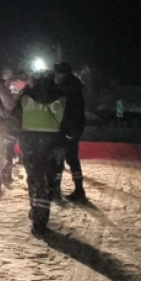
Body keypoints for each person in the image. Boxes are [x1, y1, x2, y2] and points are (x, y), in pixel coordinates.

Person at [9, 69, 66, 236]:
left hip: (30, 144)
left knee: (35, 179)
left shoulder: (26, 97)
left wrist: (18, 135)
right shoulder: (61, 97)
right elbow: (69, 120)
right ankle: (41, 219)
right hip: (53, 144)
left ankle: (36, 211)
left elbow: (14, 118)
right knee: (48, 182)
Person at [55, 62, 87, 201]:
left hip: (68, 129)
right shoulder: (74, 86)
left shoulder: (66, 88)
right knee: (72, 159)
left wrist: (68, 132)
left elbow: (69, 112)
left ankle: (56, 189)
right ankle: (79, 189)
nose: (55, 76)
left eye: (57, 73)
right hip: (74, 128)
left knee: (60, 158)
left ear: (62, 74)